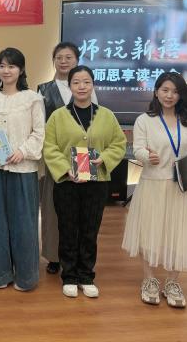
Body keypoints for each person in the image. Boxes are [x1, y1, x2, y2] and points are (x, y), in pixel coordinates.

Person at [122, 72, 187, 308]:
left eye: (175, 91)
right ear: (156, 92)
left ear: (181, 95)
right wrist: (146, 156)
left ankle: (172, 282)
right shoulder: (144, 120)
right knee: (149, 233)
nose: (170, 95)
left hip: (181, 188)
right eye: (165, 90)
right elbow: (138, 148)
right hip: (152, 184)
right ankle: (149, 279)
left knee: (179, 234)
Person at [43, 66, 126, 299]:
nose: (81, 87)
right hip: (67, 183)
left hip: (96, 182)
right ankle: (69, 276)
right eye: (76, 82)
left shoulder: (107, 115)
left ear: (93, 85)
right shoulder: (57, 116)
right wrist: (65, 168)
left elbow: (118, 143)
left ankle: (86, 275)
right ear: (69, 86)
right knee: (68, 229)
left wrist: (104, 158)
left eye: (86, 82)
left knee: (90, 230)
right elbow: (49, 147)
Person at [0, 48, 44, 291]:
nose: (6, 70)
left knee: (24, 224)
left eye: (12, 66)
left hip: (23, 169)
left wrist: (22, 151)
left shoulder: (33, 98)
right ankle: (0, 275)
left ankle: (26, 277)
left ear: (21, 70)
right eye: (2, 66)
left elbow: (39, 133)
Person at [37, 42, 97, 275]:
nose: (63, 61)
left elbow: (94, 123)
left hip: (82, 155)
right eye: (59, 57)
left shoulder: (87, 87)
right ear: (53, 61)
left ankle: (78, 258)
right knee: (52, 209)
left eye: (68, 57)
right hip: (55, 156)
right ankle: (54, 256)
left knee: (81, 210)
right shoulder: (43, 89)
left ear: (77, 60)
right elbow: (39, 124)